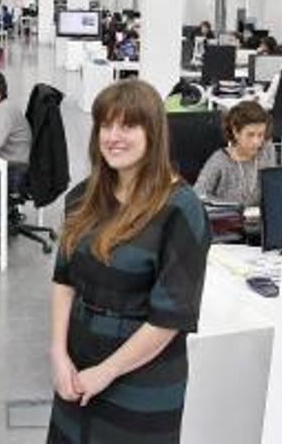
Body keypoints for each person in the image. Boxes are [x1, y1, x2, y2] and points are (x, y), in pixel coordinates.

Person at [48, 79, 211, 443]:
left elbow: (169, 318)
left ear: (153, 133)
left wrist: (106, 372)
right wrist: (58, 353)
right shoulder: (84, 196)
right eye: (106, 125)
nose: (113, 137)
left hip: (141, 380)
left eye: (128, 125)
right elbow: (64, 279)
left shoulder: (181, 210)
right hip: (77, 366)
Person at [194, 100, 276, 206]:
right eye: (250, 135)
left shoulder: (267, 150)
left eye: (260, 135)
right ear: (236, 132)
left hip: (261, 218)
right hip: (228, 218)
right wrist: (230, 206)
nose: (256, 141)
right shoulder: (219, 160)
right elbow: (198, 195)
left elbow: (273, 189)